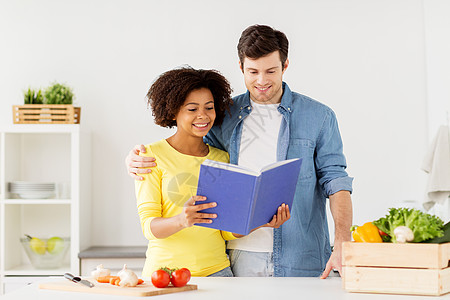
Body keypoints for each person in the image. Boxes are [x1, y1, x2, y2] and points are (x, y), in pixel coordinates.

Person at [127, 25, 353, 278]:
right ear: (240, 67)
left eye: (271, 71)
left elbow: (336, 179)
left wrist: (343, 239)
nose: (262, 80)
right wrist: (135, 158)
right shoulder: (225, 115)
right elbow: (191, 148)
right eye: (253, 71)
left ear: (285, 65)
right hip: (238, 256)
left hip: (301, 253)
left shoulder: (318, 116)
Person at [135, 66, 290, 278]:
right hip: (166, 275)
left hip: (219, 273)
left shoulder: (221, 158)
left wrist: (260, 220)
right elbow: (148, 227)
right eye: (192, 109)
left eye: (209, 107)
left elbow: (225, 231)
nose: (203, 116)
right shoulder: (150, 156)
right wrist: (182, 219)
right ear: (173, 111)